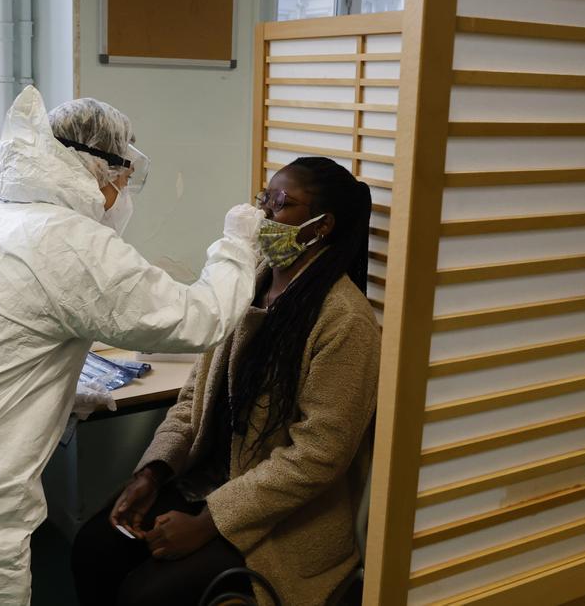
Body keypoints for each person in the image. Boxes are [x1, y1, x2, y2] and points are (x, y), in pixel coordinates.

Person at [0, 85, 264, 605]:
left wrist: (56, 396)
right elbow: (202, 318)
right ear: (104, 172)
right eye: (127, 178)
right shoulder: (73, 243)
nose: (125, 194)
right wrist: (239, 243)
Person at [72, 156, 381, 606]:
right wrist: (152, 472)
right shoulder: (247, 287)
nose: (263, 214)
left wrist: (208, 522)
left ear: (320, 226)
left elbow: (317, 457)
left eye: (281, 203)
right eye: (264, 198)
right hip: (206, 481)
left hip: (282, 518)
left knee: (148, 596)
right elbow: (193, 397)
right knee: (94, 547)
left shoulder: (345, 322)